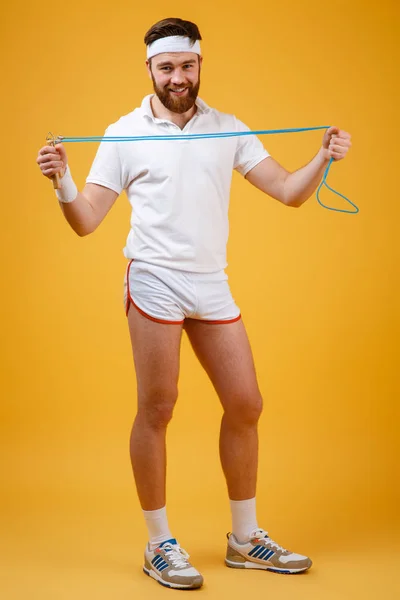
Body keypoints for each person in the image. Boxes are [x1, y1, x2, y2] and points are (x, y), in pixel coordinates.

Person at [36, 17, 351, 591]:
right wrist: (62, 180)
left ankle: (244, 539)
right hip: (154, 277)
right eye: (166, 67)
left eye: (186, 65)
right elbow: (85, 222)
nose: (177, 77)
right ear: (150, 70)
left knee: (246, 403)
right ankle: (159, 544)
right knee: (158, 407)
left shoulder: (227, 128)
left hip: (210, 281)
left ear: (200, 64)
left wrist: (323, 157)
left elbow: (288, 191)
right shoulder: (124, 132)